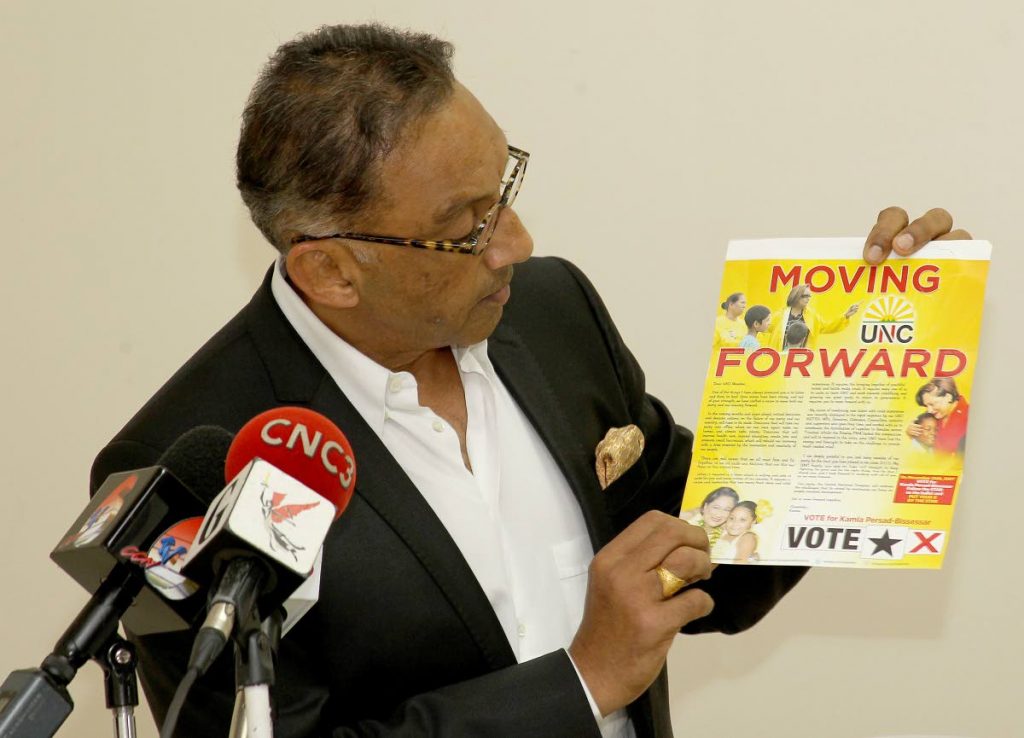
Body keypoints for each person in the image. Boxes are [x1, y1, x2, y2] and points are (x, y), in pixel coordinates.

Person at [88, 24, 970, 738]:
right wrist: (583, 681)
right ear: (331, 273)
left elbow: (709, 540)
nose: (518, 242)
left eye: (503, 186)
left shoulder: (549, 312)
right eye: (465, 225)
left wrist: (878, 359)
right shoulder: (179, 469)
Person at [766, 284, 860, 350]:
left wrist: (846, 316)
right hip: (779, 358)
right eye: (805, 296)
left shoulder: (812, 316)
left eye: (809, 296)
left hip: (802, 360)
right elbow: (763, 328)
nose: (808, 298)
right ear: (796, 296)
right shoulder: (780, 315)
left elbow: (828, 327)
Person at [907, 377, 969, 454]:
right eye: (926, 406)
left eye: (932, 404)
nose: (929, 410)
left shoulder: (970, 416)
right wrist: (912, 434)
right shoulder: (933, 415)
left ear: (948, 397)